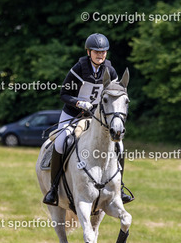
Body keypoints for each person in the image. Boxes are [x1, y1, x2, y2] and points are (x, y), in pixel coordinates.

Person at [43, 33, 134, 206]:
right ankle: (53, 189)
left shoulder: (110, 70)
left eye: (103, 52)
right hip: (73, 114)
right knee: (61, 142)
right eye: (96, 52)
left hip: (97, 117)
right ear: (88, 52)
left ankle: (119, 188)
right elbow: (64, 94)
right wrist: (79, 103)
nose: (100, 55)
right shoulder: (79, 69)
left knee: (119, 146)